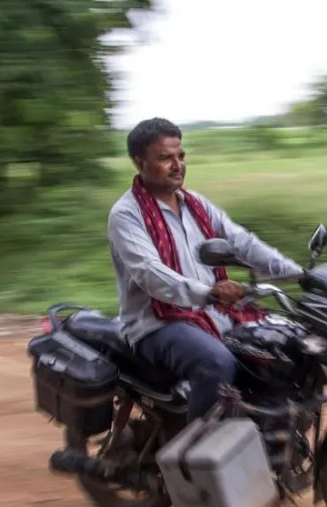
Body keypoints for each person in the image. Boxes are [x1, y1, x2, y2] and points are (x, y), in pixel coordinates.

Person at [108, 117, 304, 422]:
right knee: (216, 362)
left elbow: (241, 242)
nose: (177, 165)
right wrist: (210, 293)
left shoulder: (195, 204)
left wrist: (300, 274)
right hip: (156, 324)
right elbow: (150, 273)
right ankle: (198, 446)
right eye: (165, 158)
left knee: (284, 346)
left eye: (181, 155)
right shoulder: (126, 215)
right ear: (139, 161)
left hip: (210, 312)